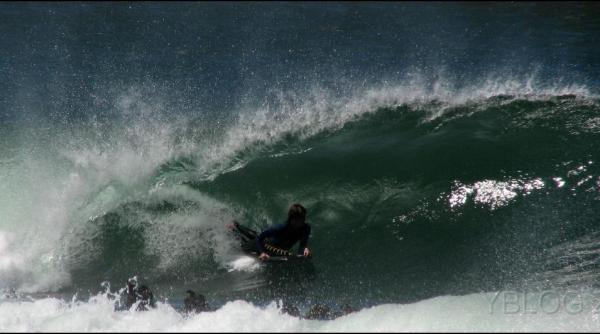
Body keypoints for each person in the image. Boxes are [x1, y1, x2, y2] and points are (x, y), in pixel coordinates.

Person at [227, 203, 312, 261]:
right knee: (244, 243)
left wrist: (305, 251)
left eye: (302, 219)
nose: (300, 222)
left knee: (254, 234)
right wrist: (262, 253)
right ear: (291, 219)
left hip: (273, 246)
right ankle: (234, 229)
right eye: (297, 220)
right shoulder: (280, 228)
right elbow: (259, 239)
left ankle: (237, 226)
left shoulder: (305, 228)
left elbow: (302, 246)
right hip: (264, 245)